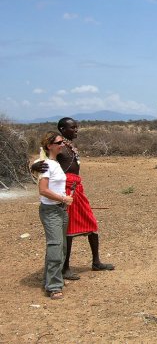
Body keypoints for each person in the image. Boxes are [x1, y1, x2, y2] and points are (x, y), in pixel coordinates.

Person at [32, 118, 114, 280]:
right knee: (68, 229)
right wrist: (33, 166)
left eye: (76, 127)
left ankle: (96, 262)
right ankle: (65, 267)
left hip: (77, 188)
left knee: (92, 224)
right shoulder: (57, 147)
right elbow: (41, 161)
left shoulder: (68, 146)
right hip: (67, 190)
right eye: (72, 128)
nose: (76, 130)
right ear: (62, 129)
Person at [37, 131, 74, 299]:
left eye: (62, 142)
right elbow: (43, 190)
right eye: (59, 142)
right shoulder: (45, 165)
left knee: (61, 246)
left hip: (61, 209)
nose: (62, 145)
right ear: (49, 145)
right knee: (55, 245)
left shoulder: (55, 163)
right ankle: (53, 286)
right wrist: (63, 198)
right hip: (51, 210)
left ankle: (53, 278)